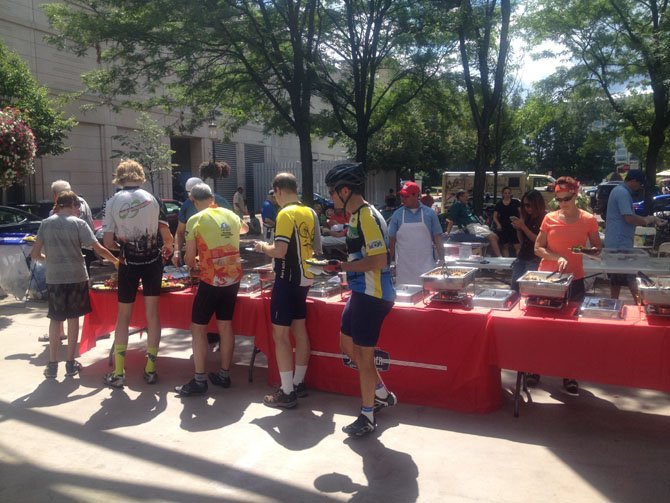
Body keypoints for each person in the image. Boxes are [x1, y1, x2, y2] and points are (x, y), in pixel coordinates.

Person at [323, 163, 396, 437]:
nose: (330, 197)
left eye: (332, 192)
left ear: (344, 190)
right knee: (346, 344)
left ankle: (368, 415)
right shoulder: (355, 216)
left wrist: (340, 267)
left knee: (365, 359)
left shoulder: (367, 216)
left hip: (373, 294)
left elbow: (378, 260)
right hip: (361, 291)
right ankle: (381, 393)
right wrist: (337, 264)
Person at [102, 160, 174, 388]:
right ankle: (150, 369)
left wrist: (122, 247)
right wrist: (168, 248)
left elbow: (107, 241)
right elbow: (167, 235)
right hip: (153, 263)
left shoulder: (112, 201)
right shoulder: (153, 199)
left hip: (128, 263)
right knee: (153, 315)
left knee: (123, 316)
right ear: (140, 176)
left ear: (119, 177)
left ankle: (119, 372)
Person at [31, 191, 118, 379]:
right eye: (77, 205)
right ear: (71, 204)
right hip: (76, 276)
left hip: (54, 278)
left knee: (55, 319)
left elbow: (35, 254)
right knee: (73, 319)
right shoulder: (79, 224)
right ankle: (70, 363)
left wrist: (51, 259)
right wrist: (116, 261)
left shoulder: (46, 224)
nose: (79, 209)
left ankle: (52, 364)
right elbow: (99, 249)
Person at [253, 172, 321, 408]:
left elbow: (280, 250)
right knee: (300, 329)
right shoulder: (309, 211)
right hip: (305, 278)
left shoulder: (285, 213)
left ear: (279, 190)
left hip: (287, 279)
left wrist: (263, 246)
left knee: (280, 336)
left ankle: (286, 390)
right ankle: (298, 382)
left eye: (275, 195)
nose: (275, 200)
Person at [175, 183, 249, 396]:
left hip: (210, 280)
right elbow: (244, 229)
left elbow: (189, 259)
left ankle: (199, 380)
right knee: (225, 326)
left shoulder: (195, 219)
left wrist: (194, 261)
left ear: (193, 201)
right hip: (233, 278)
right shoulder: (229, 214)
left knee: (198, 328)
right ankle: (224, 375)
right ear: (212, 197)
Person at [534, 176, 602, 395]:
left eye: (567, 198)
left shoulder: (588, 219)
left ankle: (569, 373)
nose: (562, 203)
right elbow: (538, 248)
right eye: (559, 199)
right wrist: (556, 257)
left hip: (575, 279)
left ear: (576, 196)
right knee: (542, 327)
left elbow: (596, 249)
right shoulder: (549, 218)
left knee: (571, 330)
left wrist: (581, 251)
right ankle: (533, 368)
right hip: (549, 278)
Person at [604, 170, 666, 299]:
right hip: (620, 244)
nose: (640, 187)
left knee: (617, 278)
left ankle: (614, 303)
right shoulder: (622, 193)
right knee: (630, 276)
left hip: (617, 242)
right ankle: (642, 305)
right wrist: (647, 220)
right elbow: (629, 218)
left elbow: (627, 216)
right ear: (633, 181)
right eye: (640, 184)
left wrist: (651, 218)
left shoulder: (619, 191)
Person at [172, 170, 232, 267]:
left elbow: (233, 227)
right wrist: (177, 251)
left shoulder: (221, 202)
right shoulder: (187, 206)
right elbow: (180, 232)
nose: (193, 201)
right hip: (198, 253)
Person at [388, 181, 444, 285]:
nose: (402, 199)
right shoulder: (397, 215)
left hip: (427, 269)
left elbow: (438, 239)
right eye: (401, 196)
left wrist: (442, 260)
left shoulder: (430, 214)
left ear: (416, 195)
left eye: (406, 196)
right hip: (404, 271)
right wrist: (386, 266)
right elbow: (391, 242)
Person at [510, 190, 547, 292]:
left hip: (535, 259)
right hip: (522, 257)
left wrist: (523, 227)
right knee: (514, 288)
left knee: (529, 289)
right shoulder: (527, 217)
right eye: (524, 205)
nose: (527, 208)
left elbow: (539, 242)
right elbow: (522, 241)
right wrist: (519, 228)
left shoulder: (544, 218)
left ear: (537, 204)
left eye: (529, 205)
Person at [447, 190, 502, 257]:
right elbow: (451, 220)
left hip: (476, 225)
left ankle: (489, 256)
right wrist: (447, 232)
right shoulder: (456, 206)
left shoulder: (466, 205)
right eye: (466, 196)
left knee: (496, 237)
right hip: (469, 227)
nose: (468, 198)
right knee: (492, 237)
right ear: (460, 197)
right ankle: (499, 257)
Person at [493, 187, 521, 257]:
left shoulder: (516, 202)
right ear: (502, 194)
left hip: (514, 226)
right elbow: (494, 216)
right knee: (505, 247)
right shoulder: (499, 204)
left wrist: (520, 222)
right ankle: (506, 265)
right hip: (504, 227)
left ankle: (519, 262)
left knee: (517, 246)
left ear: (511, 194)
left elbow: (521, 213)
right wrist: (498, 224)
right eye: (505, 193)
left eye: (508, 193)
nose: (507, 194)